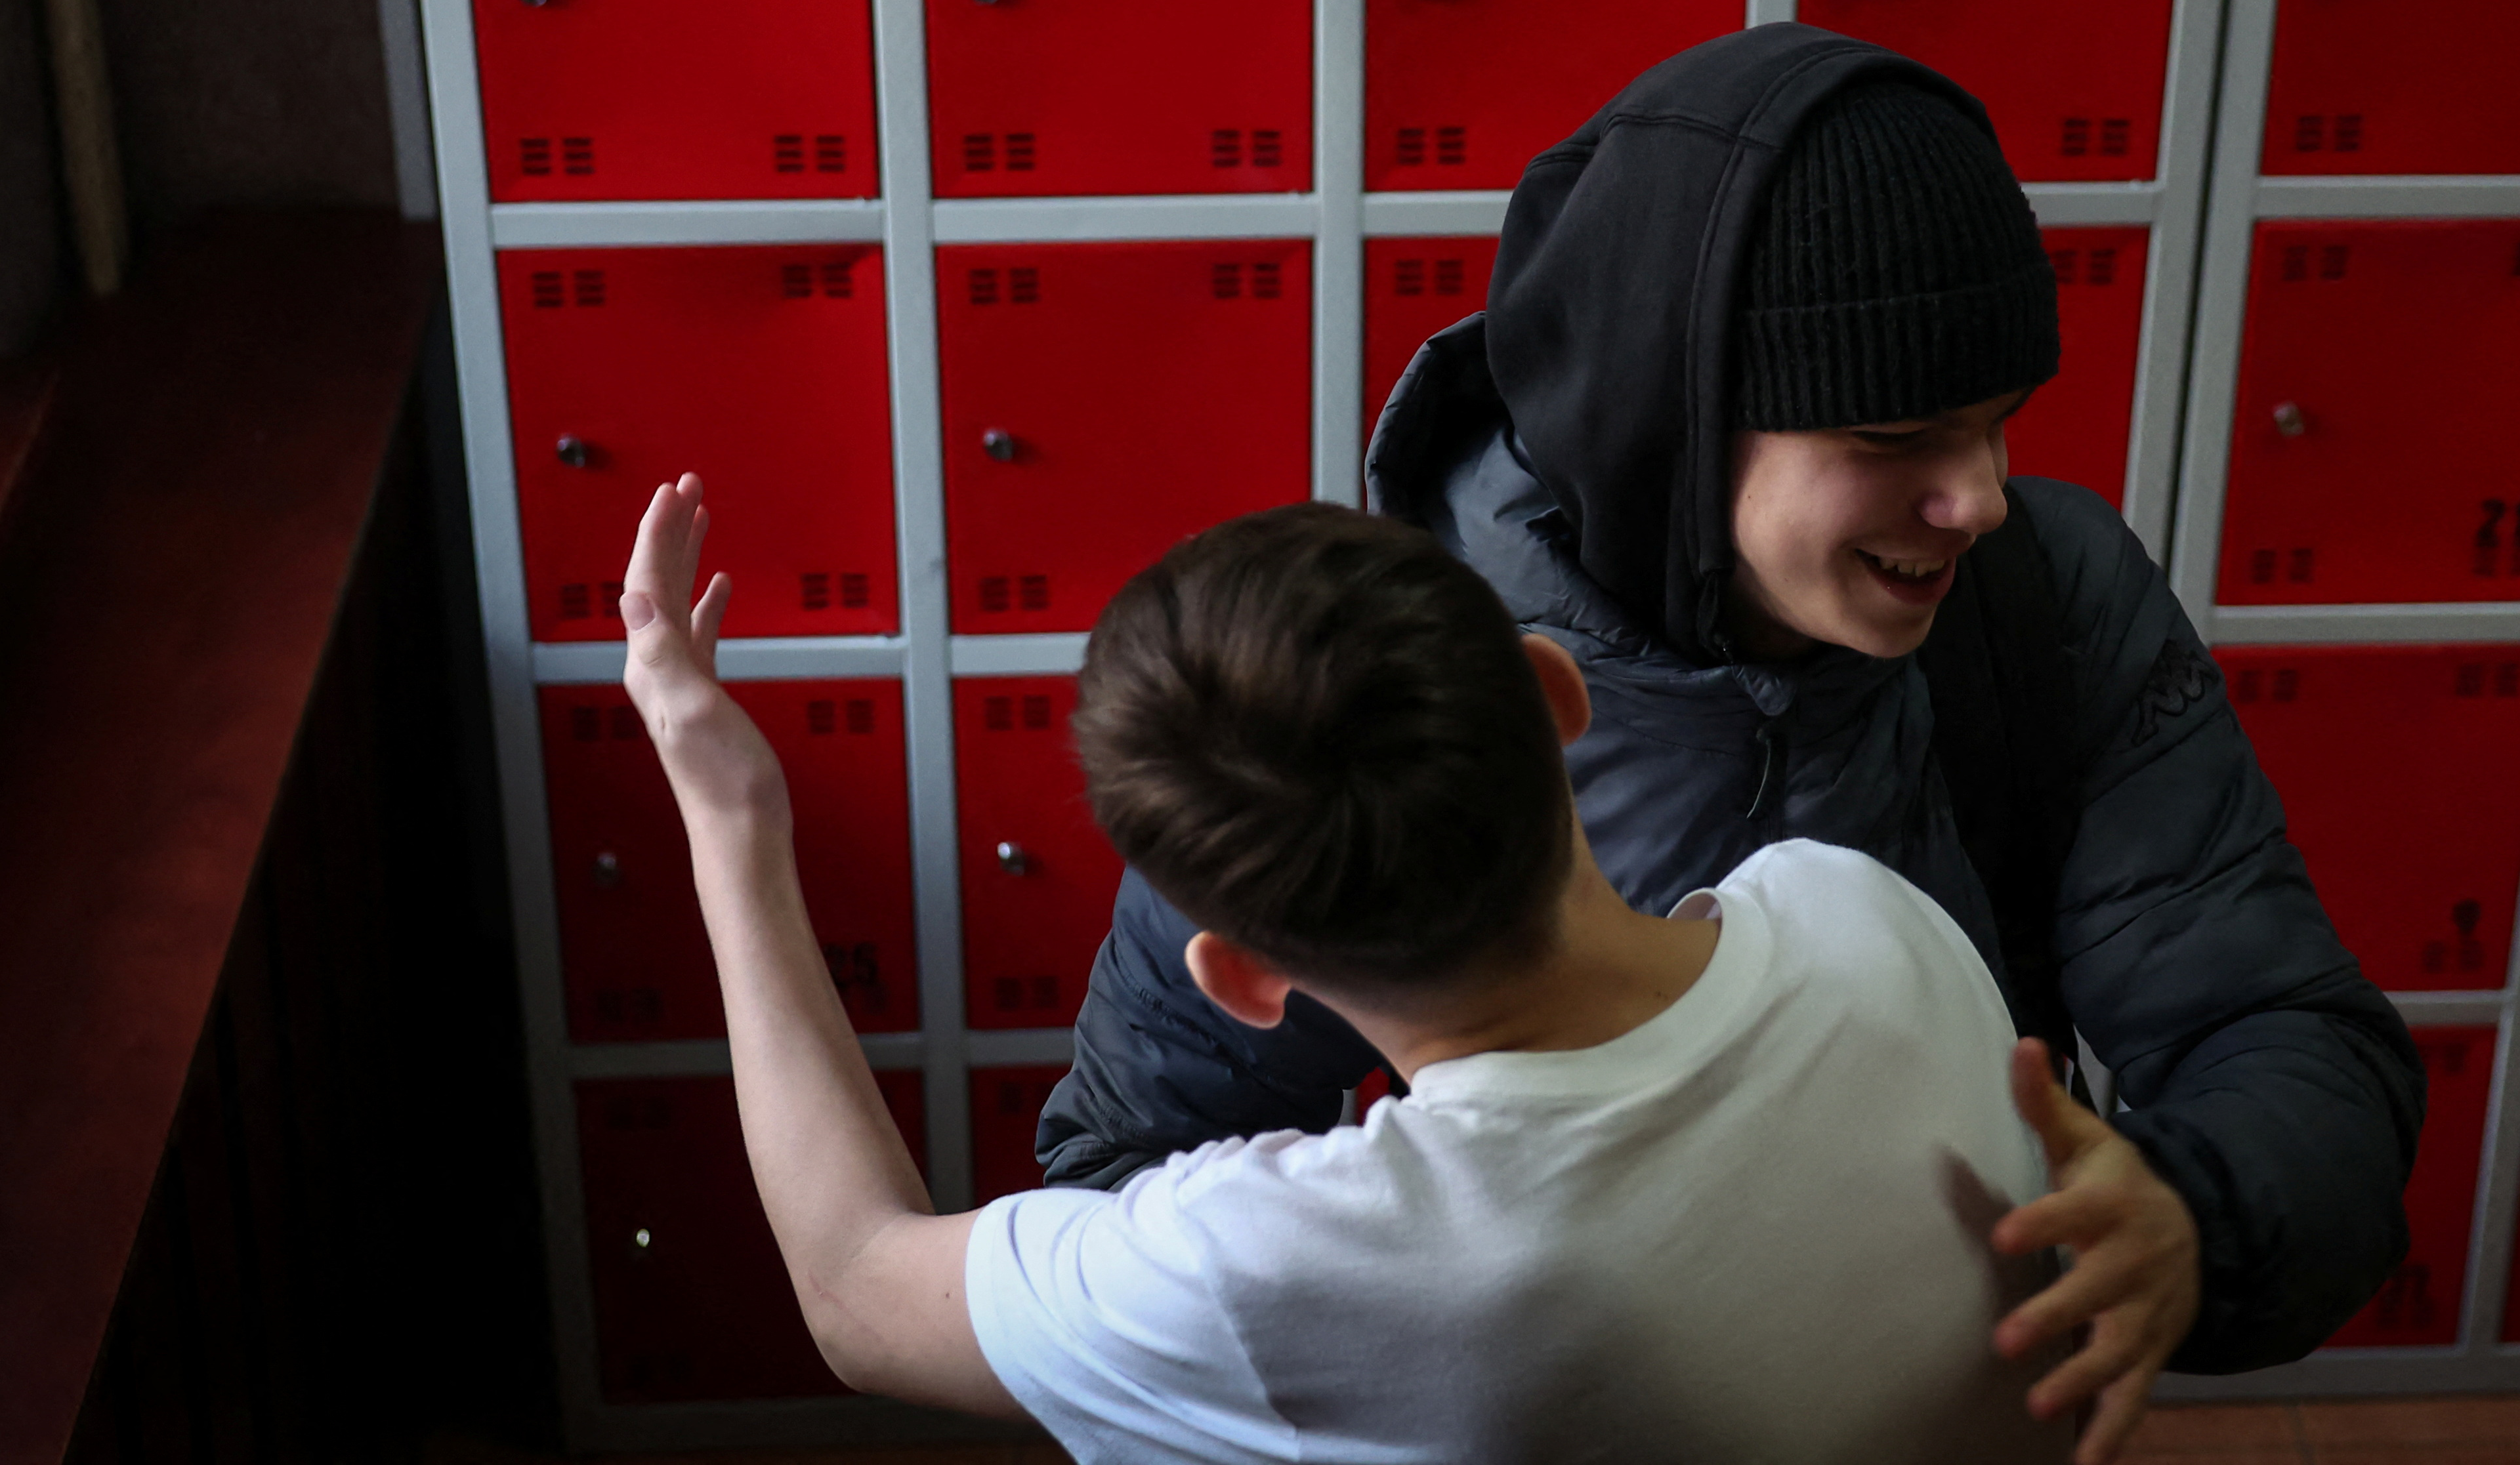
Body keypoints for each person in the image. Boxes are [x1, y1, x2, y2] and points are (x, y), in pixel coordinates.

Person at [1045, 26, 2425, 1457]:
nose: (1984, 498)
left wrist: (2184, 1215)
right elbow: (1123, 1172)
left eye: (2002, 426)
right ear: (1674, 423)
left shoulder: (2044, 604)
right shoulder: (1368, 682)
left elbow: (2291, 1035)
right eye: (1901, 437)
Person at [610, 476, 2090, 1460]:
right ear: (1555, 693)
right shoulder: (1863, 915)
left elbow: (858, 1294)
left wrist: (730, 813)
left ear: (1242, 976)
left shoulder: (1288, 1265)